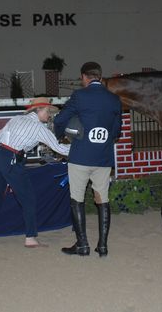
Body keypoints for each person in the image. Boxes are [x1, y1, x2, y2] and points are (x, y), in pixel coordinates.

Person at [0, 97, 70, 247]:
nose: (49, 115)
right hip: (12, 159)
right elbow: (59, 148)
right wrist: (80, 148)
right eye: (47, 111)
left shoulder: (17, 118)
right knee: (28, 198)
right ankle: (30, 238)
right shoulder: (39, 128)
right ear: (38, 110)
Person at [53, 62, 122, 257]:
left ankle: (82, 245)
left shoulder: (79, 96)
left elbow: (60, 119)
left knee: (77, 198)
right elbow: (117, 131)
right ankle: (103, 246)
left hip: (81, 156)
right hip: (103, 157)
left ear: (84, 77)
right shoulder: (114, 99)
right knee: (102, 198)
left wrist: (60, 135)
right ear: (100, 76)